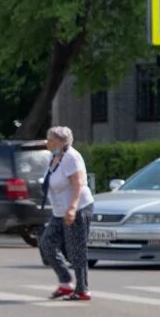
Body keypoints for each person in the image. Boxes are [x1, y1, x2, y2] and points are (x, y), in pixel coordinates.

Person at [39, 125, 94, 302]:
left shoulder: (71, 157)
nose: (48, 142)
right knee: (47, 244)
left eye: (51, 140)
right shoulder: (54, 156)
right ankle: (65, 282)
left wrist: (72, 208)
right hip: (59, 211)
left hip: (77, 208)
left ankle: (82, 289)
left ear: (61, 142)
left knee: (76, 249)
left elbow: (78, 184)